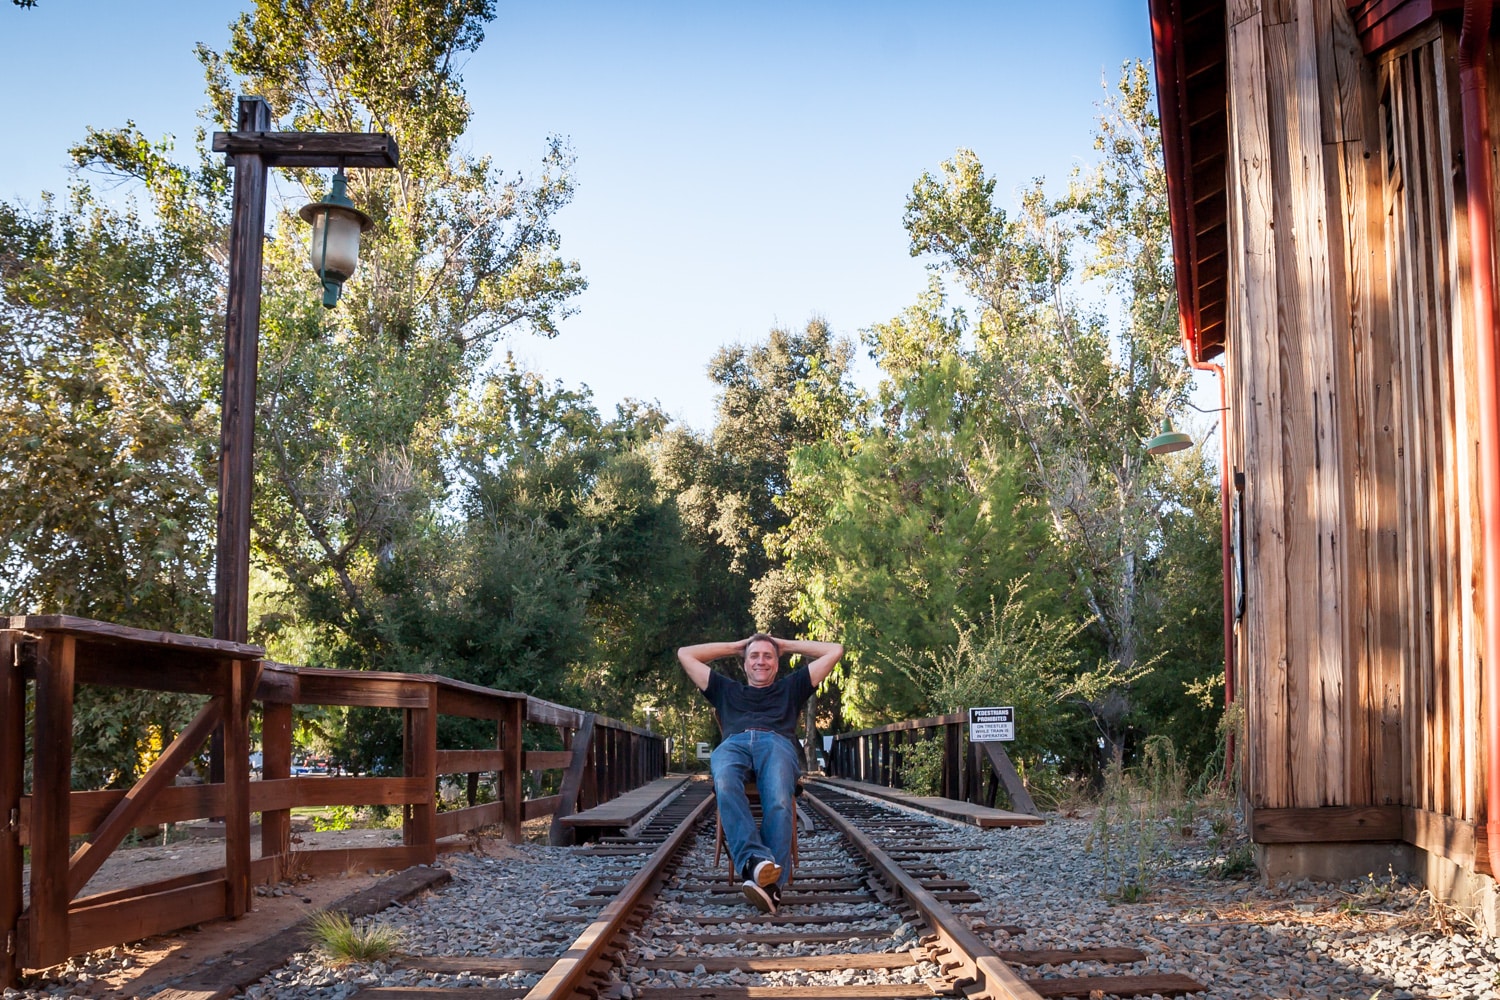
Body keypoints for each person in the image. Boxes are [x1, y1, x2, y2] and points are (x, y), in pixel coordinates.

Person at [676, 632, 843, 913]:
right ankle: (758, 866)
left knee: (778, 796)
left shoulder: (791, 687)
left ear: (777, 663)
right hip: (734, 745)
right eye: (754, 656)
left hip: (776, 743)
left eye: (768, 656)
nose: (760, 661)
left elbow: (834, 650)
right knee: (725, 781)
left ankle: (766, 879)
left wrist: (784, 645)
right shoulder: (725, 689)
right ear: (745, 663)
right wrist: (735, 647)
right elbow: (685, 653)